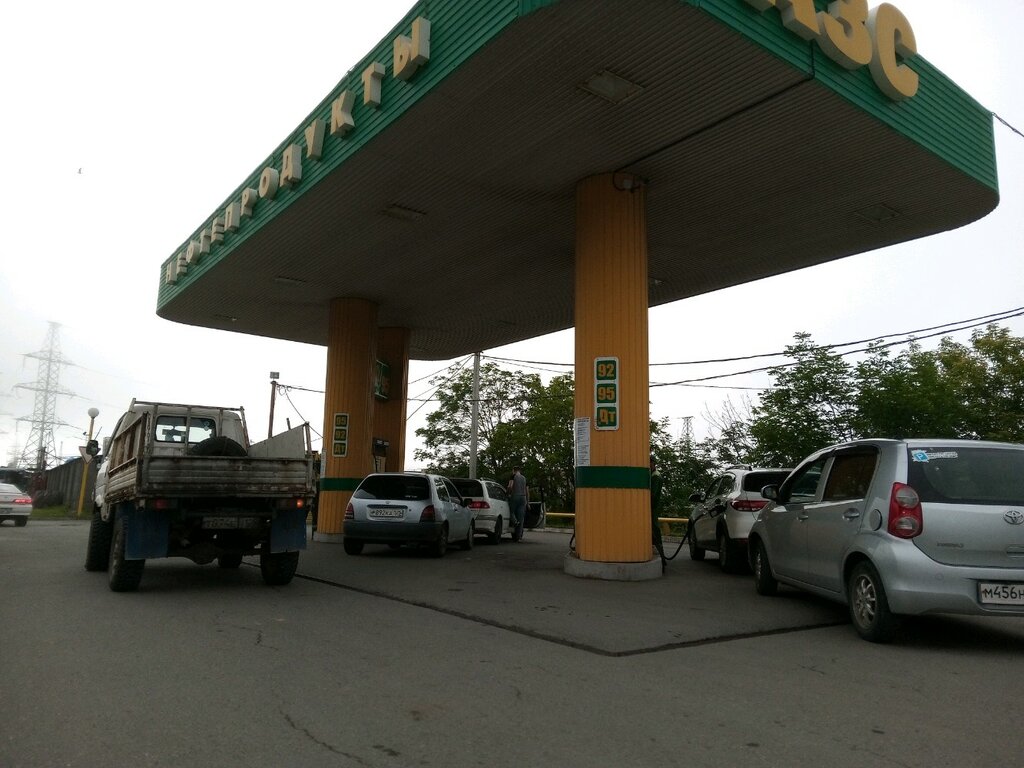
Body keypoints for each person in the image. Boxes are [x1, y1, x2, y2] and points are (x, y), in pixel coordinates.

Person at [650, 456, 667, 571]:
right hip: (654, 506)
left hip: (653, 507)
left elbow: (652, 494)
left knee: (655, 530)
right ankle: (662, 558)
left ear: (652, 463)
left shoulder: (655, 476)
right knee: (654, 530)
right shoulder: (655, 474)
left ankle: (662, 558)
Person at [507, 466, 529, 542]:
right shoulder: (524, 478)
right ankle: (518, 538)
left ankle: (515, 522)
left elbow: (510, 486)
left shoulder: (513, 476)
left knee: (511, 511)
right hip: (523, 498)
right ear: (520, 470)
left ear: (514, 470)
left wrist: (508, 493)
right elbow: (527, 491)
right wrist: (528, 502)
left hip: (515, 496)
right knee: (521, 518)